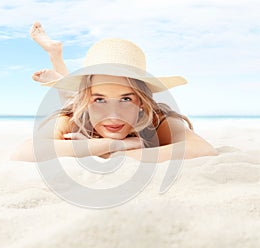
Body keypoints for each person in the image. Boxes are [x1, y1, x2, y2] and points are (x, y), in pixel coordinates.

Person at [11, 22, 217, 162]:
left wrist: (111, 152)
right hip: (81, 106)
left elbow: (203, 149)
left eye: (126, 99)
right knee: (71, 100)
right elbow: (22, 152)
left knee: (78, 95)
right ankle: (57, 62)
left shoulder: (155, 118)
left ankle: (64, 80)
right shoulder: (73, 116)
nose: (114, 114)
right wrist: (113, 144)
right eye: (101, 100)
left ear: (141, 103)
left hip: (85, 101)